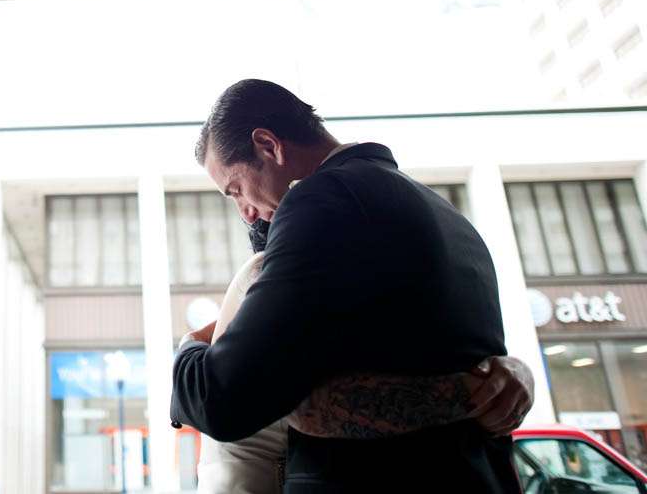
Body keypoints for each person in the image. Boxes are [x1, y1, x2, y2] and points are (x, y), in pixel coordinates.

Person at [172, 80, 530, 492]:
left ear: (268, 146)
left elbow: (224, 400)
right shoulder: (445, 213)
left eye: (235, 190)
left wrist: (188, 349)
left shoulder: (322, 200)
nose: (247, 213)